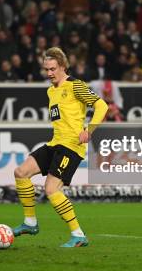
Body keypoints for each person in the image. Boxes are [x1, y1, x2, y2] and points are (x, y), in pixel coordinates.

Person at [12, 47, 108, 247]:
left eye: (53, 69)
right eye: (46, 69)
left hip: (71, 146)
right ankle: (30, 222)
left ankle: (78, 235)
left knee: (51, 188)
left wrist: (89, 130)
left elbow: (102, 106)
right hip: (55, 143)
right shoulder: (51, 90)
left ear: (63, 67)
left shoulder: (76, 85)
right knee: (21, 172)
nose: (49, 73)